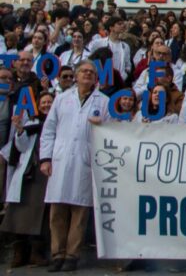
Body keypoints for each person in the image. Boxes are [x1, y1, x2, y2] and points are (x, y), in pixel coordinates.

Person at [39, 60, 111, 272]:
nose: (87, 75)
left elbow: (111, 132)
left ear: (96, 78)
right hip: (60, 161)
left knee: (80, 213)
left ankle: (72, 255)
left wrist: (103, 126)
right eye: (84, 72)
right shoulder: (61, 99)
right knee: (57, 212)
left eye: (92, 72)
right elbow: (49, 129)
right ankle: (57, 254)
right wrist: (45, 158)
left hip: (85, 161)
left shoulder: (104, 102)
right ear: (77, 75)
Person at [1, 91, 54, 268]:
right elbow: (22, 147)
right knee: (19, 214)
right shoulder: (31, 124)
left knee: (40, 215)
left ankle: (36, 252)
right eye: (43, 102)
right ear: (38, 106)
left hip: (46, 174)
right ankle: (19, 252)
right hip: (28, 172)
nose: (46, 105)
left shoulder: (58, 124)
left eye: (49, 102)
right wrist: (20, 131)